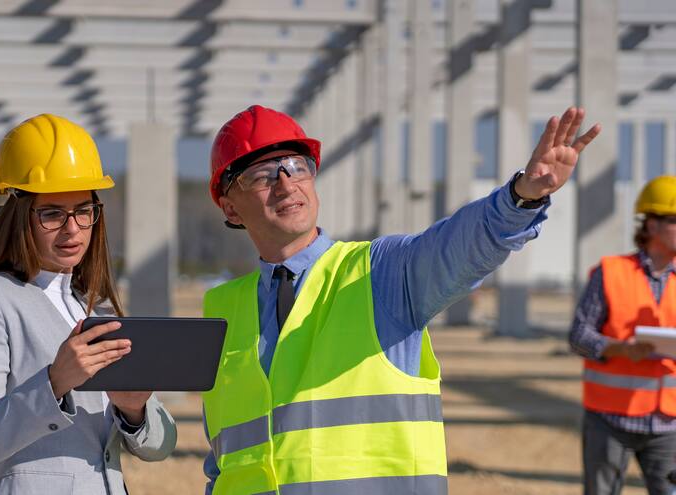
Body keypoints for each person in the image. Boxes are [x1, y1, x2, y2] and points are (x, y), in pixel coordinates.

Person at [201, 104, 600, 494]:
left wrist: (522, 197)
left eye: (296, 166)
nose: (287, 184)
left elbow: (457, 247)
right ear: (231, 208)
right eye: (262, 176)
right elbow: (224, 460)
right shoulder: (221, 311)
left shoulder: (380, 273)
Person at [0, 114, 177, 495]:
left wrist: (133, 411)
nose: (72, 230)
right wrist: (55, 383)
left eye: (83, 212)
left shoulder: (98, 312)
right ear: (17, 217)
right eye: (51, 213)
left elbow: (161, 446)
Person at [570, 175, 676, 495]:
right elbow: (578, 336)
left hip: (669, 423)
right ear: (651, 225)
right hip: (610, 420)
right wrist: (618, 349)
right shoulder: (610, 272)